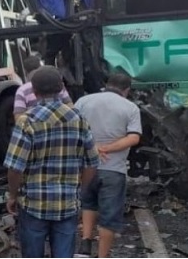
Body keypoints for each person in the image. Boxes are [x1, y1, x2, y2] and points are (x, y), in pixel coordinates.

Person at [4, 66, 99, 258]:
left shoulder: (27, 121)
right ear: (61, 87)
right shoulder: (79, 118)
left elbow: (15, 168)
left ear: (34, 91)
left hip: (33, 204)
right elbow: (92, 163)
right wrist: (79, 191)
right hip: (67, 204)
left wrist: (12, 195)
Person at [74, 73, 142, 258]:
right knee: (109, 216)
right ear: (127, 90)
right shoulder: (130, 107)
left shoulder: (83, 101)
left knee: (88, 203)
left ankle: (86, 244)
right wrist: (107, 148)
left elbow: (72, 129)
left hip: (86, 166)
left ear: (106, 84)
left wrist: (93, 147)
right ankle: (102, 256)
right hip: (114, 169)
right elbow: (134, 137)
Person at [13, 55, 72, 120]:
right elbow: (70, 106)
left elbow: (18, 119)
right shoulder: (56, 83)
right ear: (40, 66)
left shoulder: (22, 90)